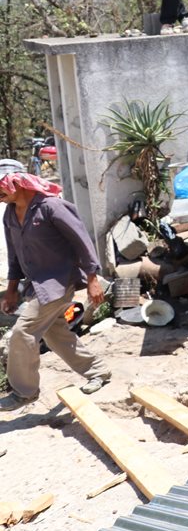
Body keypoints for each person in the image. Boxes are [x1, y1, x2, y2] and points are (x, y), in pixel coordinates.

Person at [0, 161, 110, 412]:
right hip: (36, 285)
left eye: (1, 188)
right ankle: (99, 372)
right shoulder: (10, 214)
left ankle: (24, 392)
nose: (0, 195)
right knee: (55, 334)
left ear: (16, 181)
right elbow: (15, 256)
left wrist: (93, 278)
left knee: (23, 331)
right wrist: (11, 289)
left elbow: (82, 240)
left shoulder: (51, 206)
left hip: (59, 282)